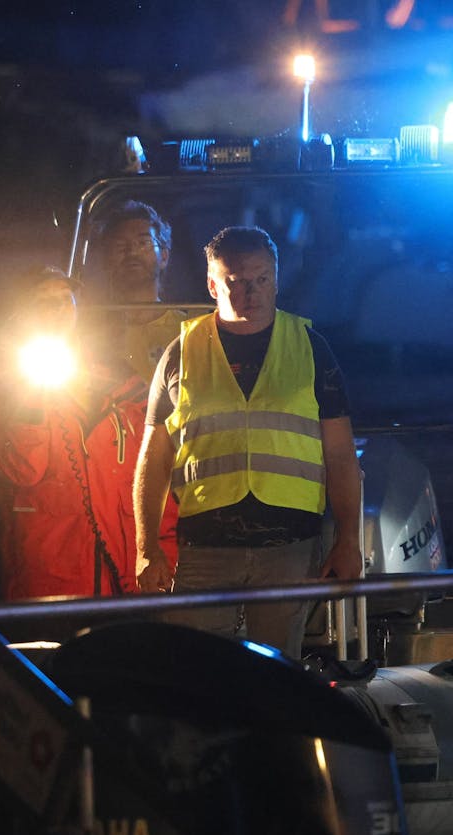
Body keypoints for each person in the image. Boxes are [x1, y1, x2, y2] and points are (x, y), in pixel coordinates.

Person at [133, 226, 362, 653]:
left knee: (279, 680)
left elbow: (341, 456)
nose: (250, 294)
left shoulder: (312, 349)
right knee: (197, 675)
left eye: (261, 280)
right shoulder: (180, 353)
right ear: (212, 284)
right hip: (203, 547)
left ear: (276, 279)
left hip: (291, 545)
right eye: (235, 282)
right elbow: (154, 458)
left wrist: (349, 541)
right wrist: (147, 548)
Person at [0, 267, 178, 601]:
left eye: (64, 298)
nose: (56, 309)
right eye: (43, 302)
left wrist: (164, 550)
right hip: (52, 576)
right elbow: (23, 468)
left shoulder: (121, 381)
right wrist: (30, 393)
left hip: (127, 574)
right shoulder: (7, 389)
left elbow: (155, 471)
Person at [91, 200, 191, 382]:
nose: (132, 252)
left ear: (164, 257)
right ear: (106, 260)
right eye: (120, 245)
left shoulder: (189, 331)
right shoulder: (92, 334)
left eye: (143, 242)